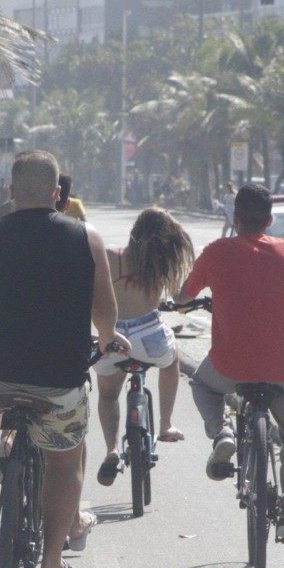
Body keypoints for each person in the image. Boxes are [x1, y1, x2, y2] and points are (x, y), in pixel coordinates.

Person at [0, 150, 130, 568]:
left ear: (10, 193)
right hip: (59, 380)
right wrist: (106, 339)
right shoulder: (87, 238)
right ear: (58, 193)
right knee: (65, 463)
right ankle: (49, 566)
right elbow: (106, 310)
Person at [175, 183, 284, 545]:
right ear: (270, 219)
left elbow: (184, 297)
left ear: (235, 217)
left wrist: (181, 301)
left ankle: (222, 433)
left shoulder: (216, 252)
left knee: (202, 383)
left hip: (233, 362)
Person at [92, 208, 194, 486]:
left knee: (109, 395)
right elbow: (180, 298)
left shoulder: (110, 256)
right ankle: (165, 424)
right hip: (149, 335)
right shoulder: (157, 264)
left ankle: (112, 449)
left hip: (112, 337)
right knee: (172, 361)